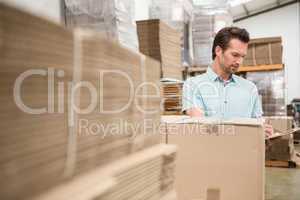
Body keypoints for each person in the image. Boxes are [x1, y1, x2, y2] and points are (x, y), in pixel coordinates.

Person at [182, 27, 273, 136]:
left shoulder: (250, 88)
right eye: (235, 55)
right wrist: (248, 131)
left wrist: (264, 131)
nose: (239, 61)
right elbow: (200, 127)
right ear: (218, 51)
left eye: (242, 56)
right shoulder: (192, 85)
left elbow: (258, 126)